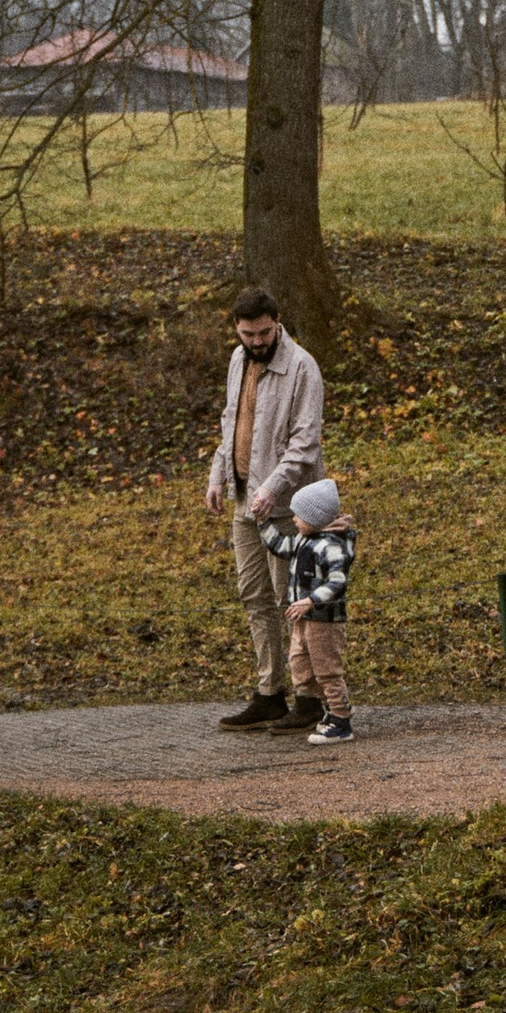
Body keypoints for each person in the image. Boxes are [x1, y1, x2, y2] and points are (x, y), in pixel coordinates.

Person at [203, 289, 324, 730]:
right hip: (244, 500)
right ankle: (270, 692)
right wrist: (218, 476)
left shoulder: (302, 367)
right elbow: (229, 421)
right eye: (247, 333)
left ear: (278, 321)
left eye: (264, 332)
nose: (256, 341)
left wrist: (273, 489)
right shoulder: (238, 361)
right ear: (236, 328)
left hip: (289, 506)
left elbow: (305, 443)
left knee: (291, 598)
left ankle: (310, 697)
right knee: (254, 597)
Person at [259, 476, 357, 746]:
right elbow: (279, 545)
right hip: (302, 620)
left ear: (315, 517)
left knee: (326, 669)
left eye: (298, 515)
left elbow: (337, 582)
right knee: (301, 668)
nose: (293, 519)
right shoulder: (304, 540)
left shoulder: (330, 546)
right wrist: (262, 521)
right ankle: (336, 708)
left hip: (324, 621)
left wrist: (311, 600)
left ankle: (340, 721)